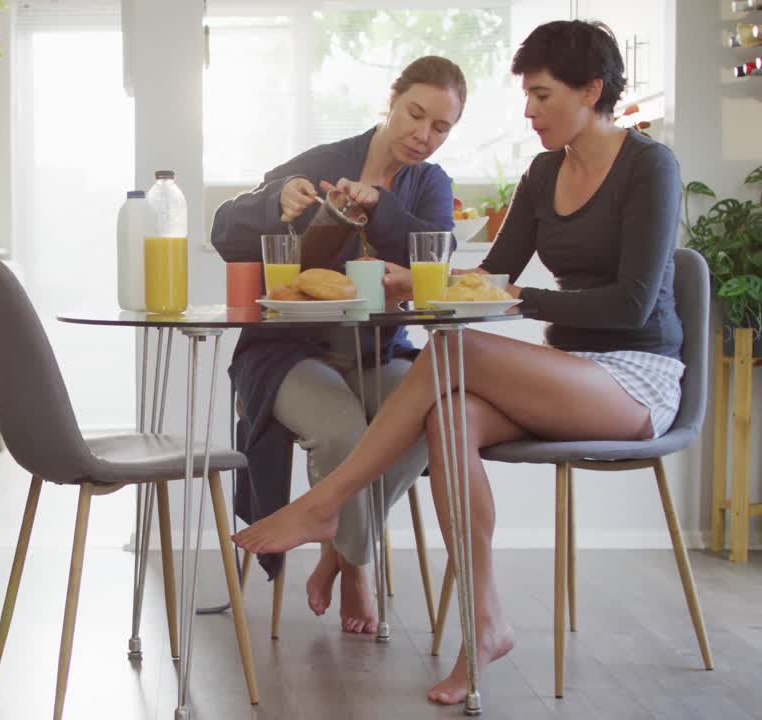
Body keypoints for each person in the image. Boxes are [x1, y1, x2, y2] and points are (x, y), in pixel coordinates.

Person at [231, 20, 685, 706]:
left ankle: (325, 505)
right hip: (571, 372)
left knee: (452, 351)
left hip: (636, 376)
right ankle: (485, 628)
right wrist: (410, 281)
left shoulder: (651, 166)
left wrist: (513, 295)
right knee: (448, 415)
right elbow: (487, 279)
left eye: (540, 95)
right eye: (526, 96)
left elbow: (630, 305)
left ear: (591, 91)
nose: (528, 112)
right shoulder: (543, 173)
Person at [210, 56, 466, 633]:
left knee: (437, 415)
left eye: (441, 127)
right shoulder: (323, 163)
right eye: (415, 114)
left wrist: (381, 207)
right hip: (286, 353)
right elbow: (223, 230)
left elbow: (435, 255)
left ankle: (336, 549)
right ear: (391, 101)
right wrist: (275, 199)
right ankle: (358, 570)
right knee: (345, 430)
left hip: (378, 352)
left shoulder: (430, 185)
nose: (423, 135)